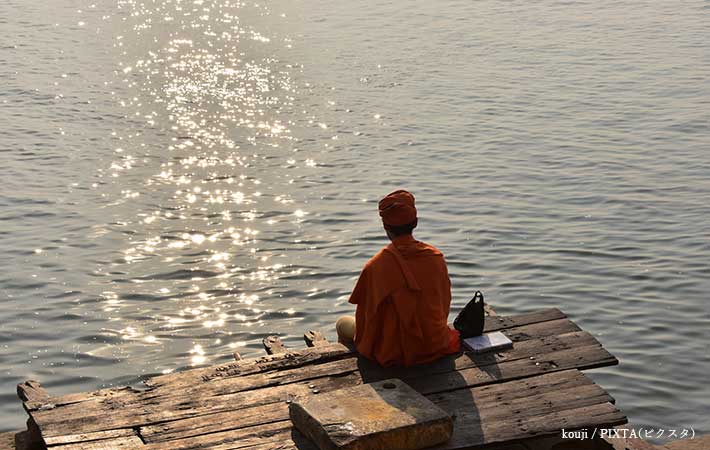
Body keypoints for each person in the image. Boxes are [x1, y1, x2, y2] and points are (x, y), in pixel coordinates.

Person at [336, 189, 460, 367]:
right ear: (415, 222)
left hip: (393, 351)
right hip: (434, 344)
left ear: (385, 226)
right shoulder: (436, 258)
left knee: (342, 323)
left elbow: (366, 319)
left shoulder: (376, 266)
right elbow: (443, 304)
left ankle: (354, 367)